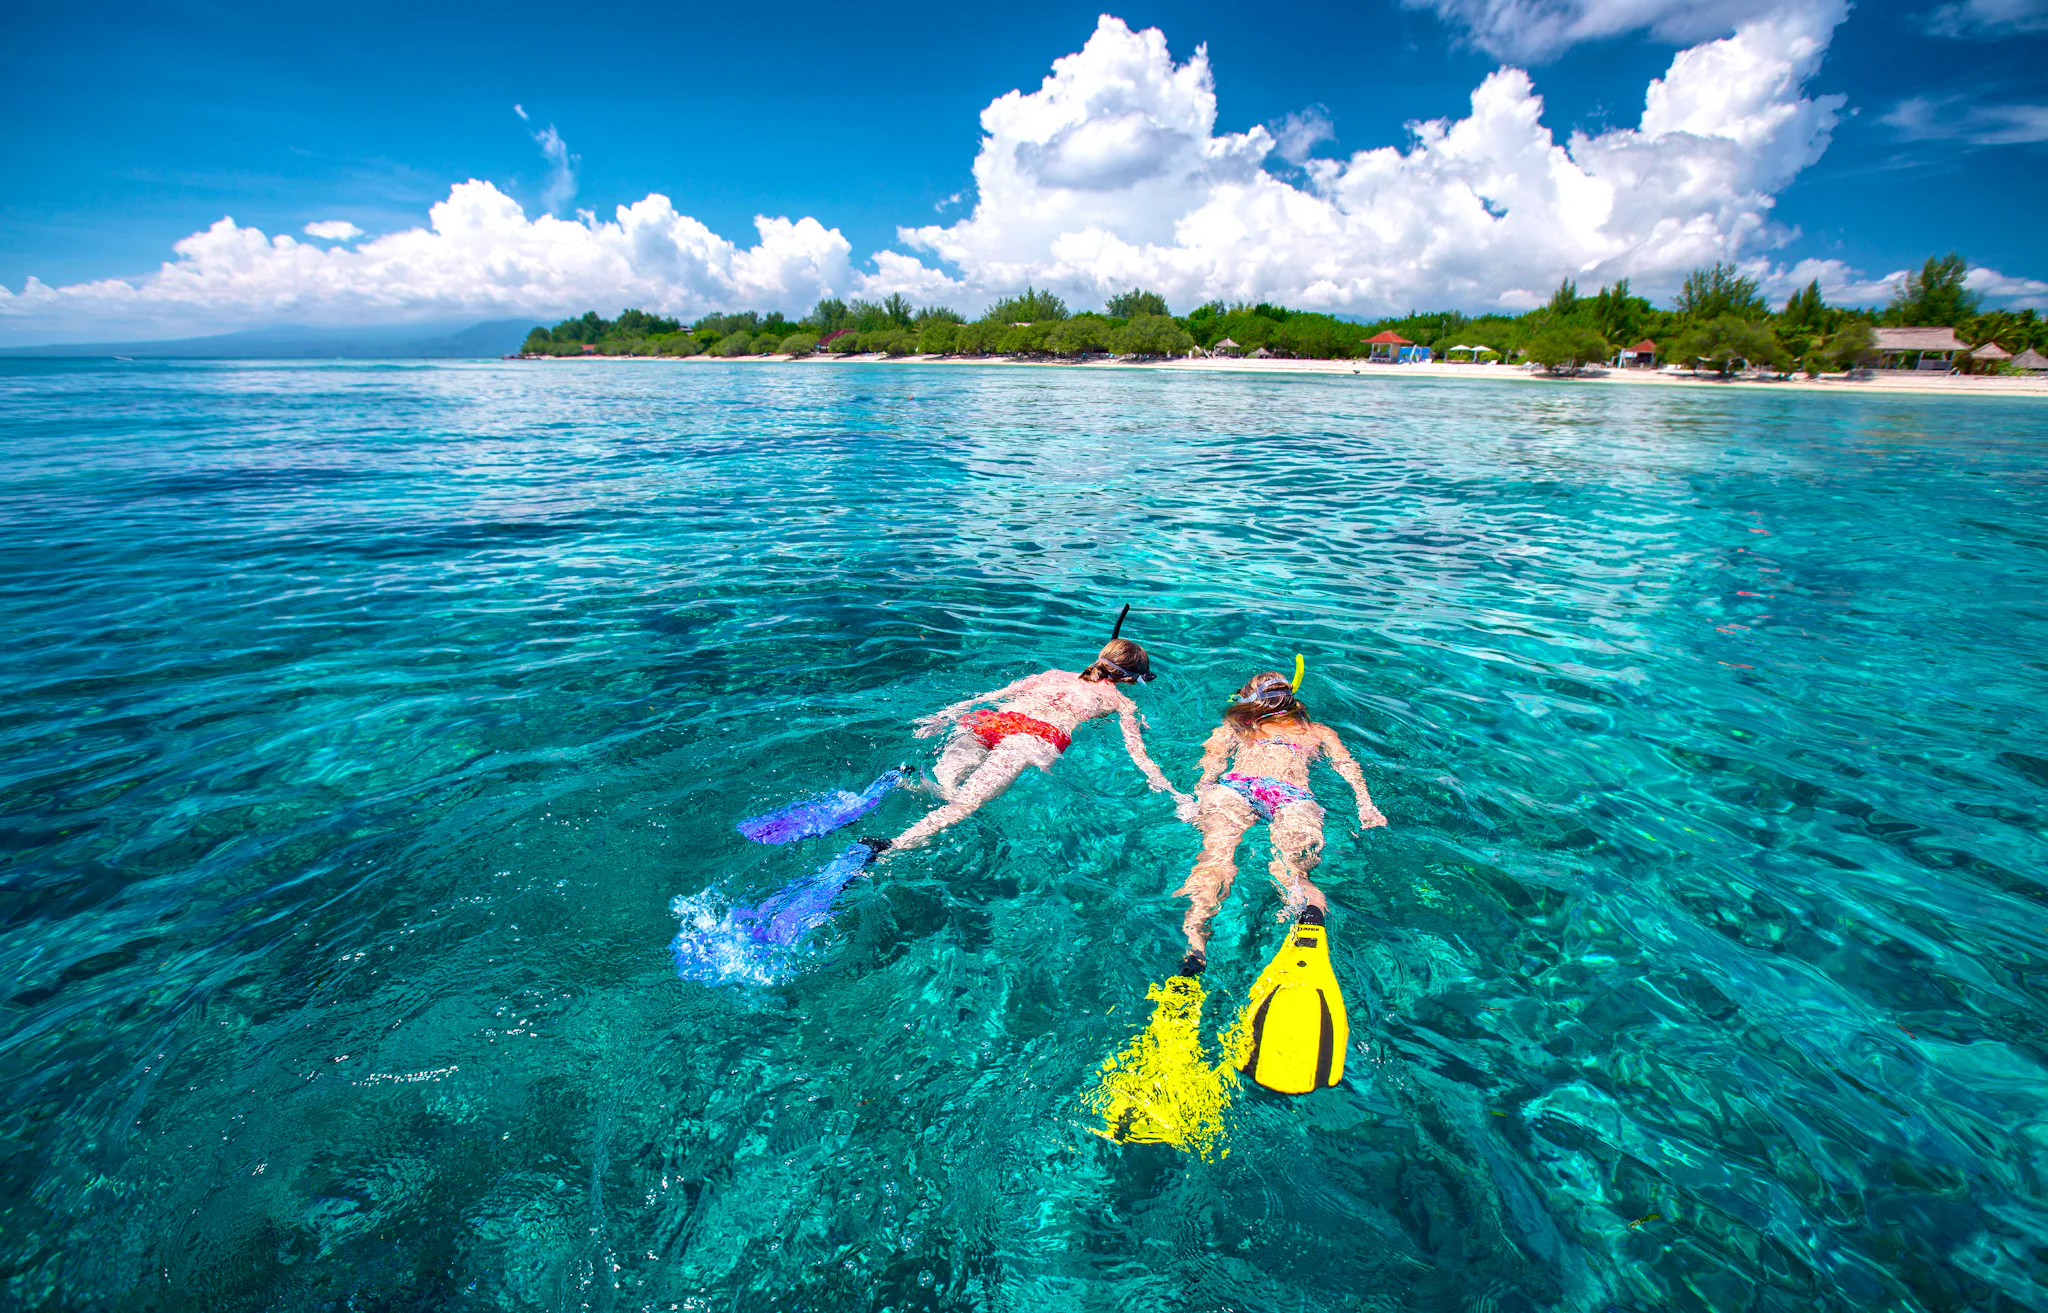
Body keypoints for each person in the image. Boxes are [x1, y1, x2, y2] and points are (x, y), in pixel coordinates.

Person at [868, 634, 1192, 855]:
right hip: (1033, 739)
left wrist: (942, 716)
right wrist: (1173, 792)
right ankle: (889, 848)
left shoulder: (1052, 674)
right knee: (965, 805)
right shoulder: (1120, 702)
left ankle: (902, 782)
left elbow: (990, 698)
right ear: (1128, 679)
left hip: (992, 721)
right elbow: (1139, 754)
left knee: (943, 783)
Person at [1173, 662, 1387, 975]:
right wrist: (1366, 805)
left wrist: (1197, 797)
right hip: (1290, 795)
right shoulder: (1317, 731)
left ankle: (1195, 947)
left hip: (1236, 787)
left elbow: (1210, 765)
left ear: (1249, 700)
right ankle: (1306, 933)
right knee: (1292, 874)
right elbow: (1346, 766)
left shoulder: (1237, 725)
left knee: (1215, 862)